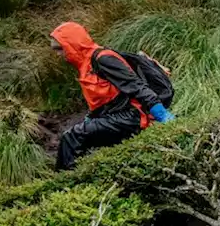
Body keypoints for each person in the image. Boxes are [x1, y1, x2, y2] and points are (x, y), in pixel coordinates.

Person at [50, 21, 174, 170]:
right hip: (114, 116)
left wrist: (161, 113)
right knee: (80, 139)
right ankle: (81, 177)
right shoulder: (85, 65)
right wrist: (91, 118)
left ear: (72, 44)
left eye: (59, 49)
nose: (57, 55)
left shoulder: (103, 59)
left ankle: (64, 184)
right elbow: (106, 100)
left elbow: (136, 86)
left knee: (72, 137)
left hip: (131, 117)